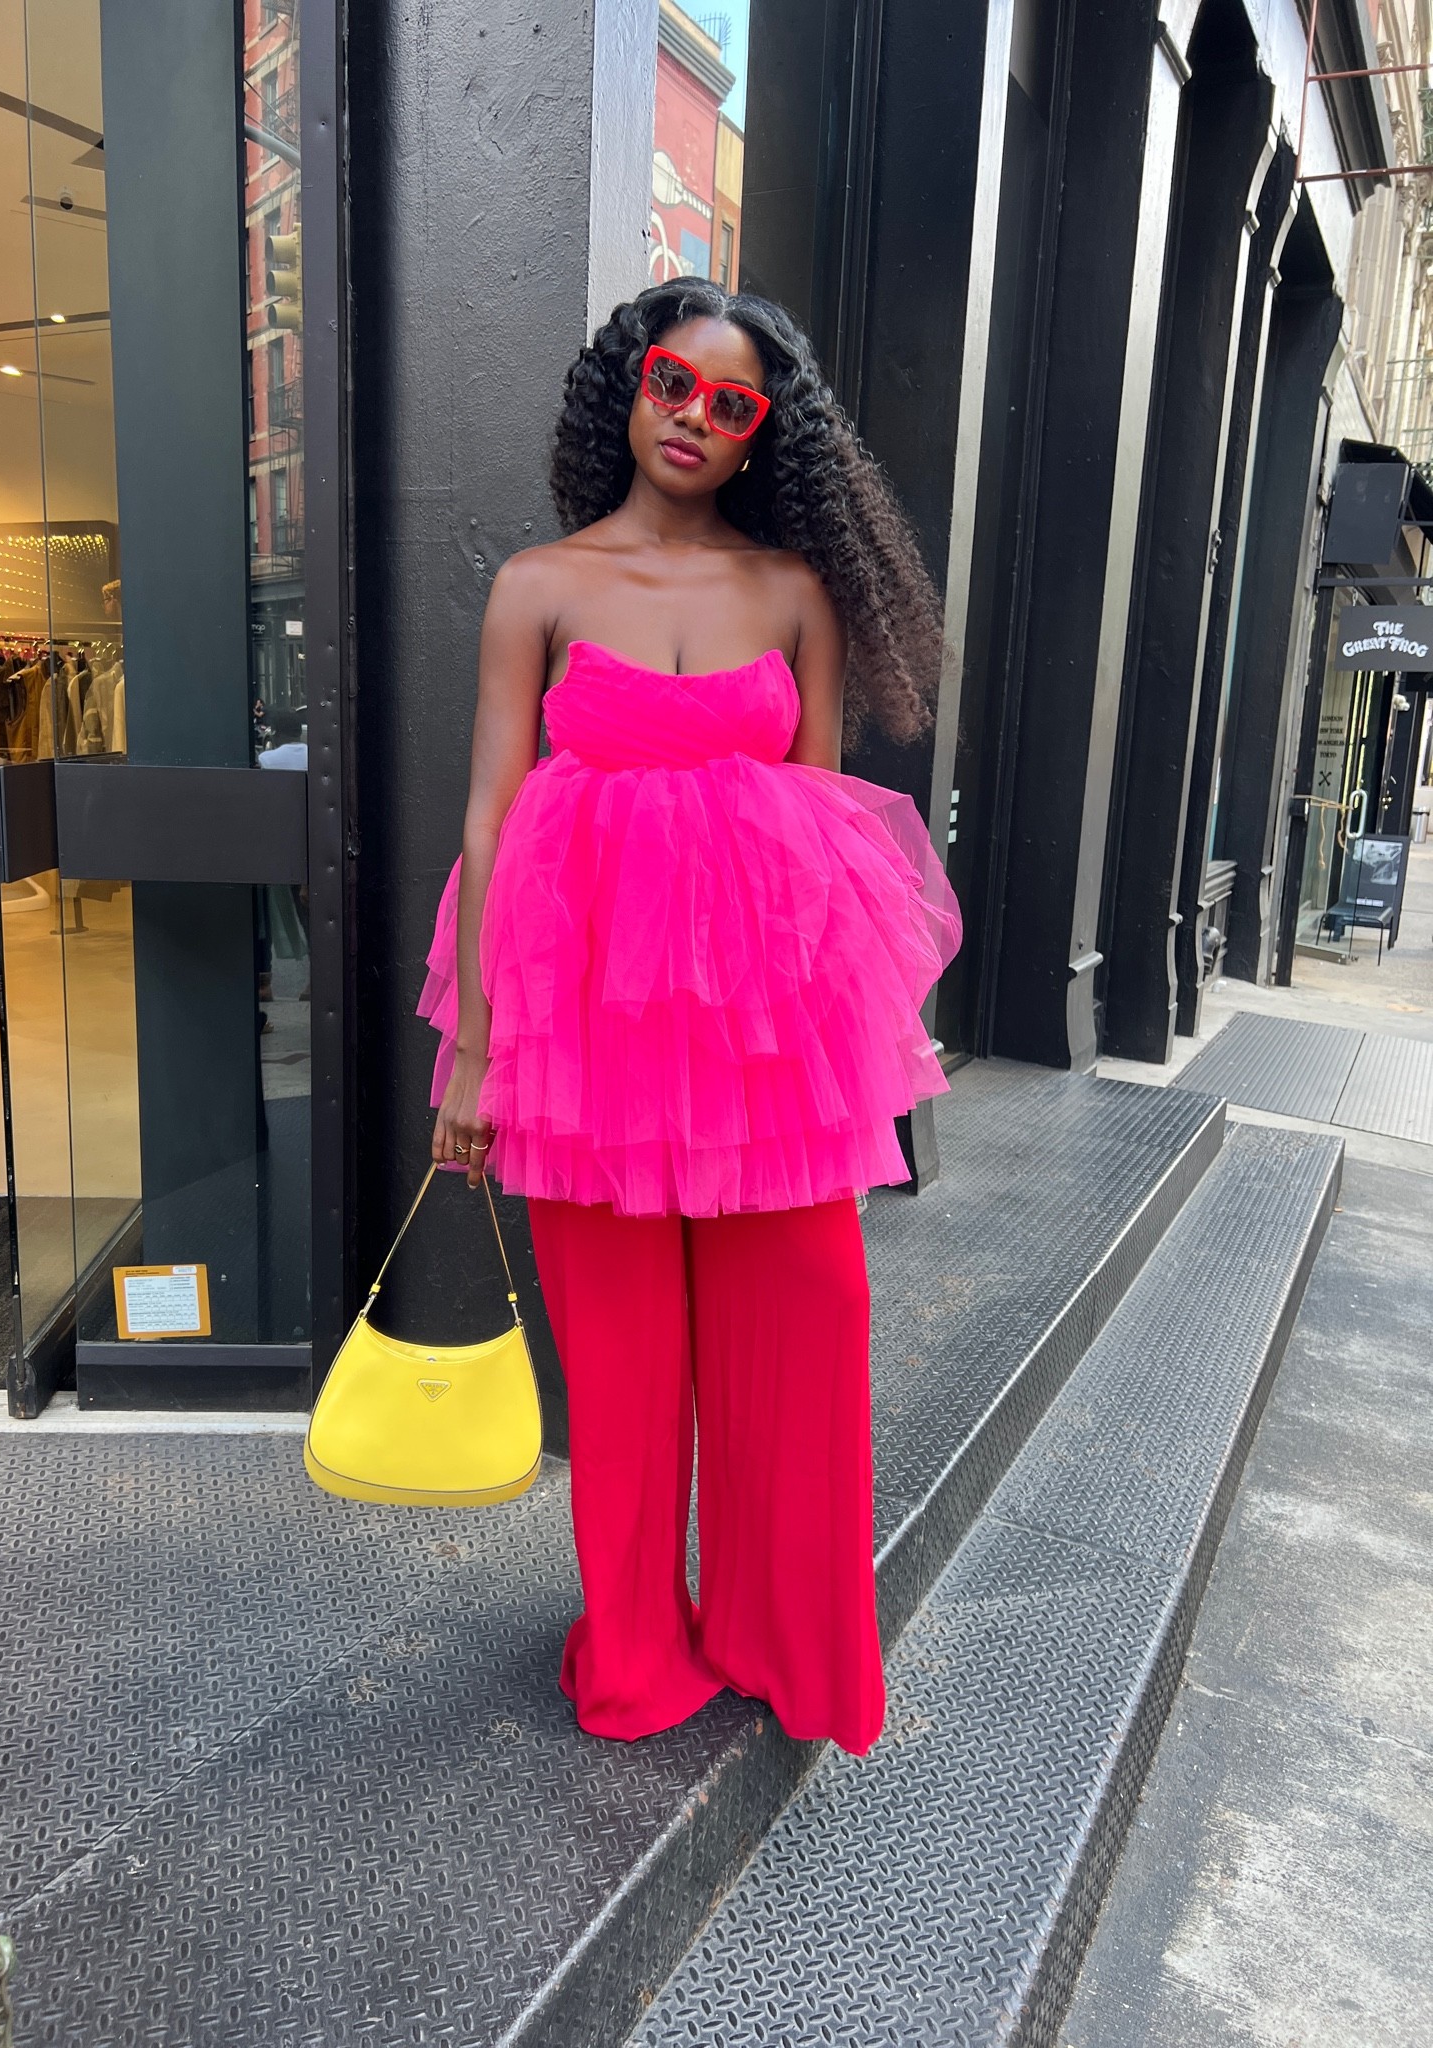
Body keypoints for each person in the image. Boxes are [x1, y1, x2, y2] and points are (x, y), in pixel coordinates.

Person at [421, 280, 961, 1757]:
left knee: (814, 1316)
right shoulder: (539, 583)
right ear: (628, 387)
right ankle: (641, 1651)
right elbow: (491, 820)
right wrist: (476, 1046)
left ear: (760, 438)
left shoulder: (796, 593)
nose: (696, 419)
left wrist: (844, 1053)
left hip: (758, 1054)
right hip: (586, 1041)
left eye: (734, 406)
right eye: (676, 383)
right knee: (624, 1361)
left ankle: (788, 1640)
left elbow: (825, 830)